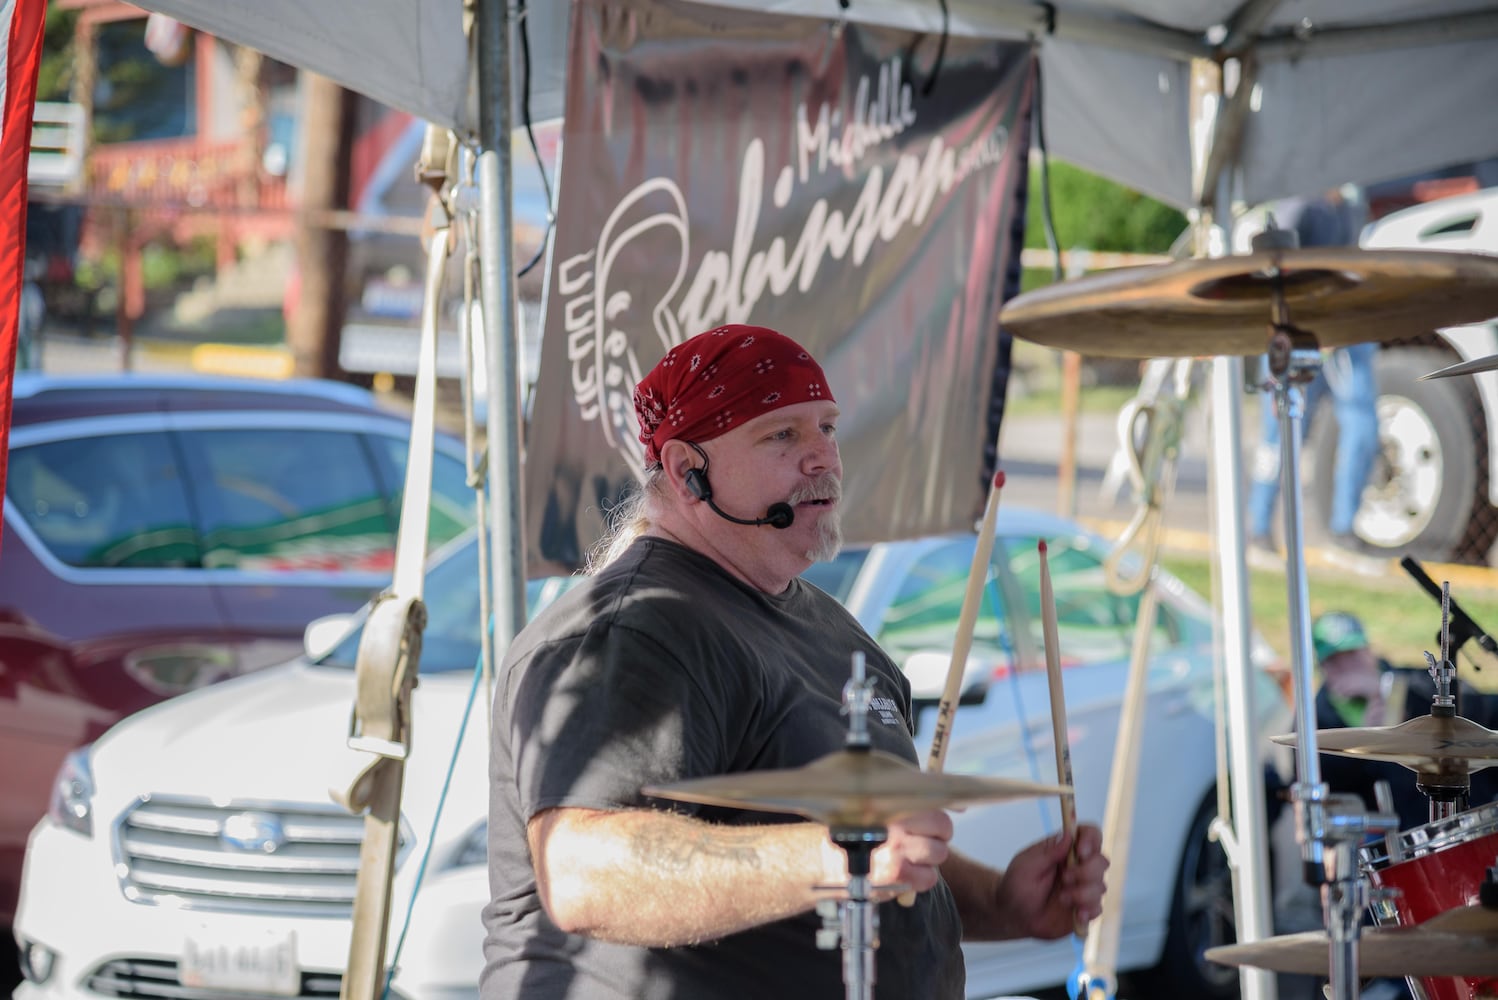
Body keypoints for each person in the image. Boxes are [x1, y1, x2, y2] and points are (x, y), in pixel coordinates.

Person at [480, 324, 1109, 999]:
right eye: (781, 435)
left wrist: (1002, 903)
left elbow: (870, 846)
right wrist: (843, 856)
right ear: (686, 470)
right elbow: (585, 873)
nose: (823, 459)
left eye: (827, 428)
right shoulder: (634, 627)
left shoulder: (827, 625)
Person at [1269, 611, 1498, 1000]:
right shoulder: (1318, 716)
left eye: (1355, 654)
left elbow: (1479, 714)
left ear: (1370, 650)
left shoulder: (1414, 684)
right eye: (1337, 660)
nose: (1349, 666)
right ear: (1324, 666)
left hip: (1472, 832)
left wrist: (1394, 703)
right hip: (1405, 856)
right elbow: (1317, 790)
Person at [1248, 187, 1380, 556]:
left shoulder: (1353, 205)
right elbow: (1276, 269)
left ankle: (1343, 529)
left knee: (1362, 426)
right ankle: (1258, 527)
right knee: (1279, 437)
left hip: (1343, 334)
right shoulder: (1299, 204)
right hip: (1296, 336)